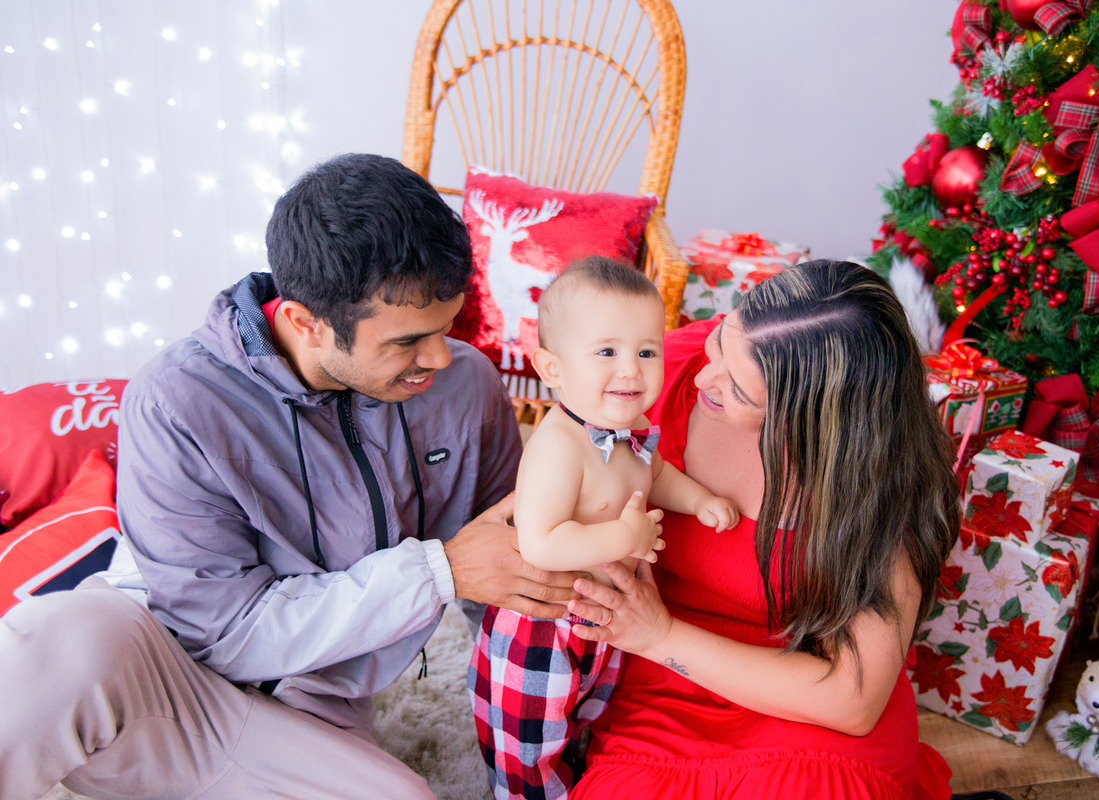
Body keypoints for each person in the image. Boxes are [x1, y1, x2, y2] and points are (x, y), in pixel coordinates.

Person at [0, 153, 586, 800]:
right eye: (406, 341)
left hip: (313, 701)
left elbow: (508, 574)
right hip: (159, 668)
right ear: (306, 322)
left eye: (446, 327)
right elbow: (220, 633)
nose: (439, 356)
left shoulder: (463, 386)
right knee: (43, 657)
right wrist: (437, 570)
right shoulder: (176, 400)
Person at [563, 261, 959, 800]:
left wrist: (659, 635)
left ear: (817, 421)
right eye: (720, 341)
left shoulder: (880, 482)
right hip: (667, 690)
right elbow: (560, 458)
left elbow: (853, 699)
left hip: (809, 704)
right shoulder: (667, 369)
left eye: (740, 393)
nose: (705, 378)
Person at [468, 257, 739, 800]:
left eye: (646, 351)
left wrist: (699, 498)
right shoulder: (559, 448)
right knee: (528, 736)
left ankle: (576, 764)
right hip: (544, 622)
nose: (631, 370)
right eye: (607, 352)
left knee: (589, 708)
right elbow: (541, 542)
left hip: (604, 616)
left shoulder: (632, 427)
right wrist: (625, 539)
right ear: (553, 369)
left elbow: (654, 473)